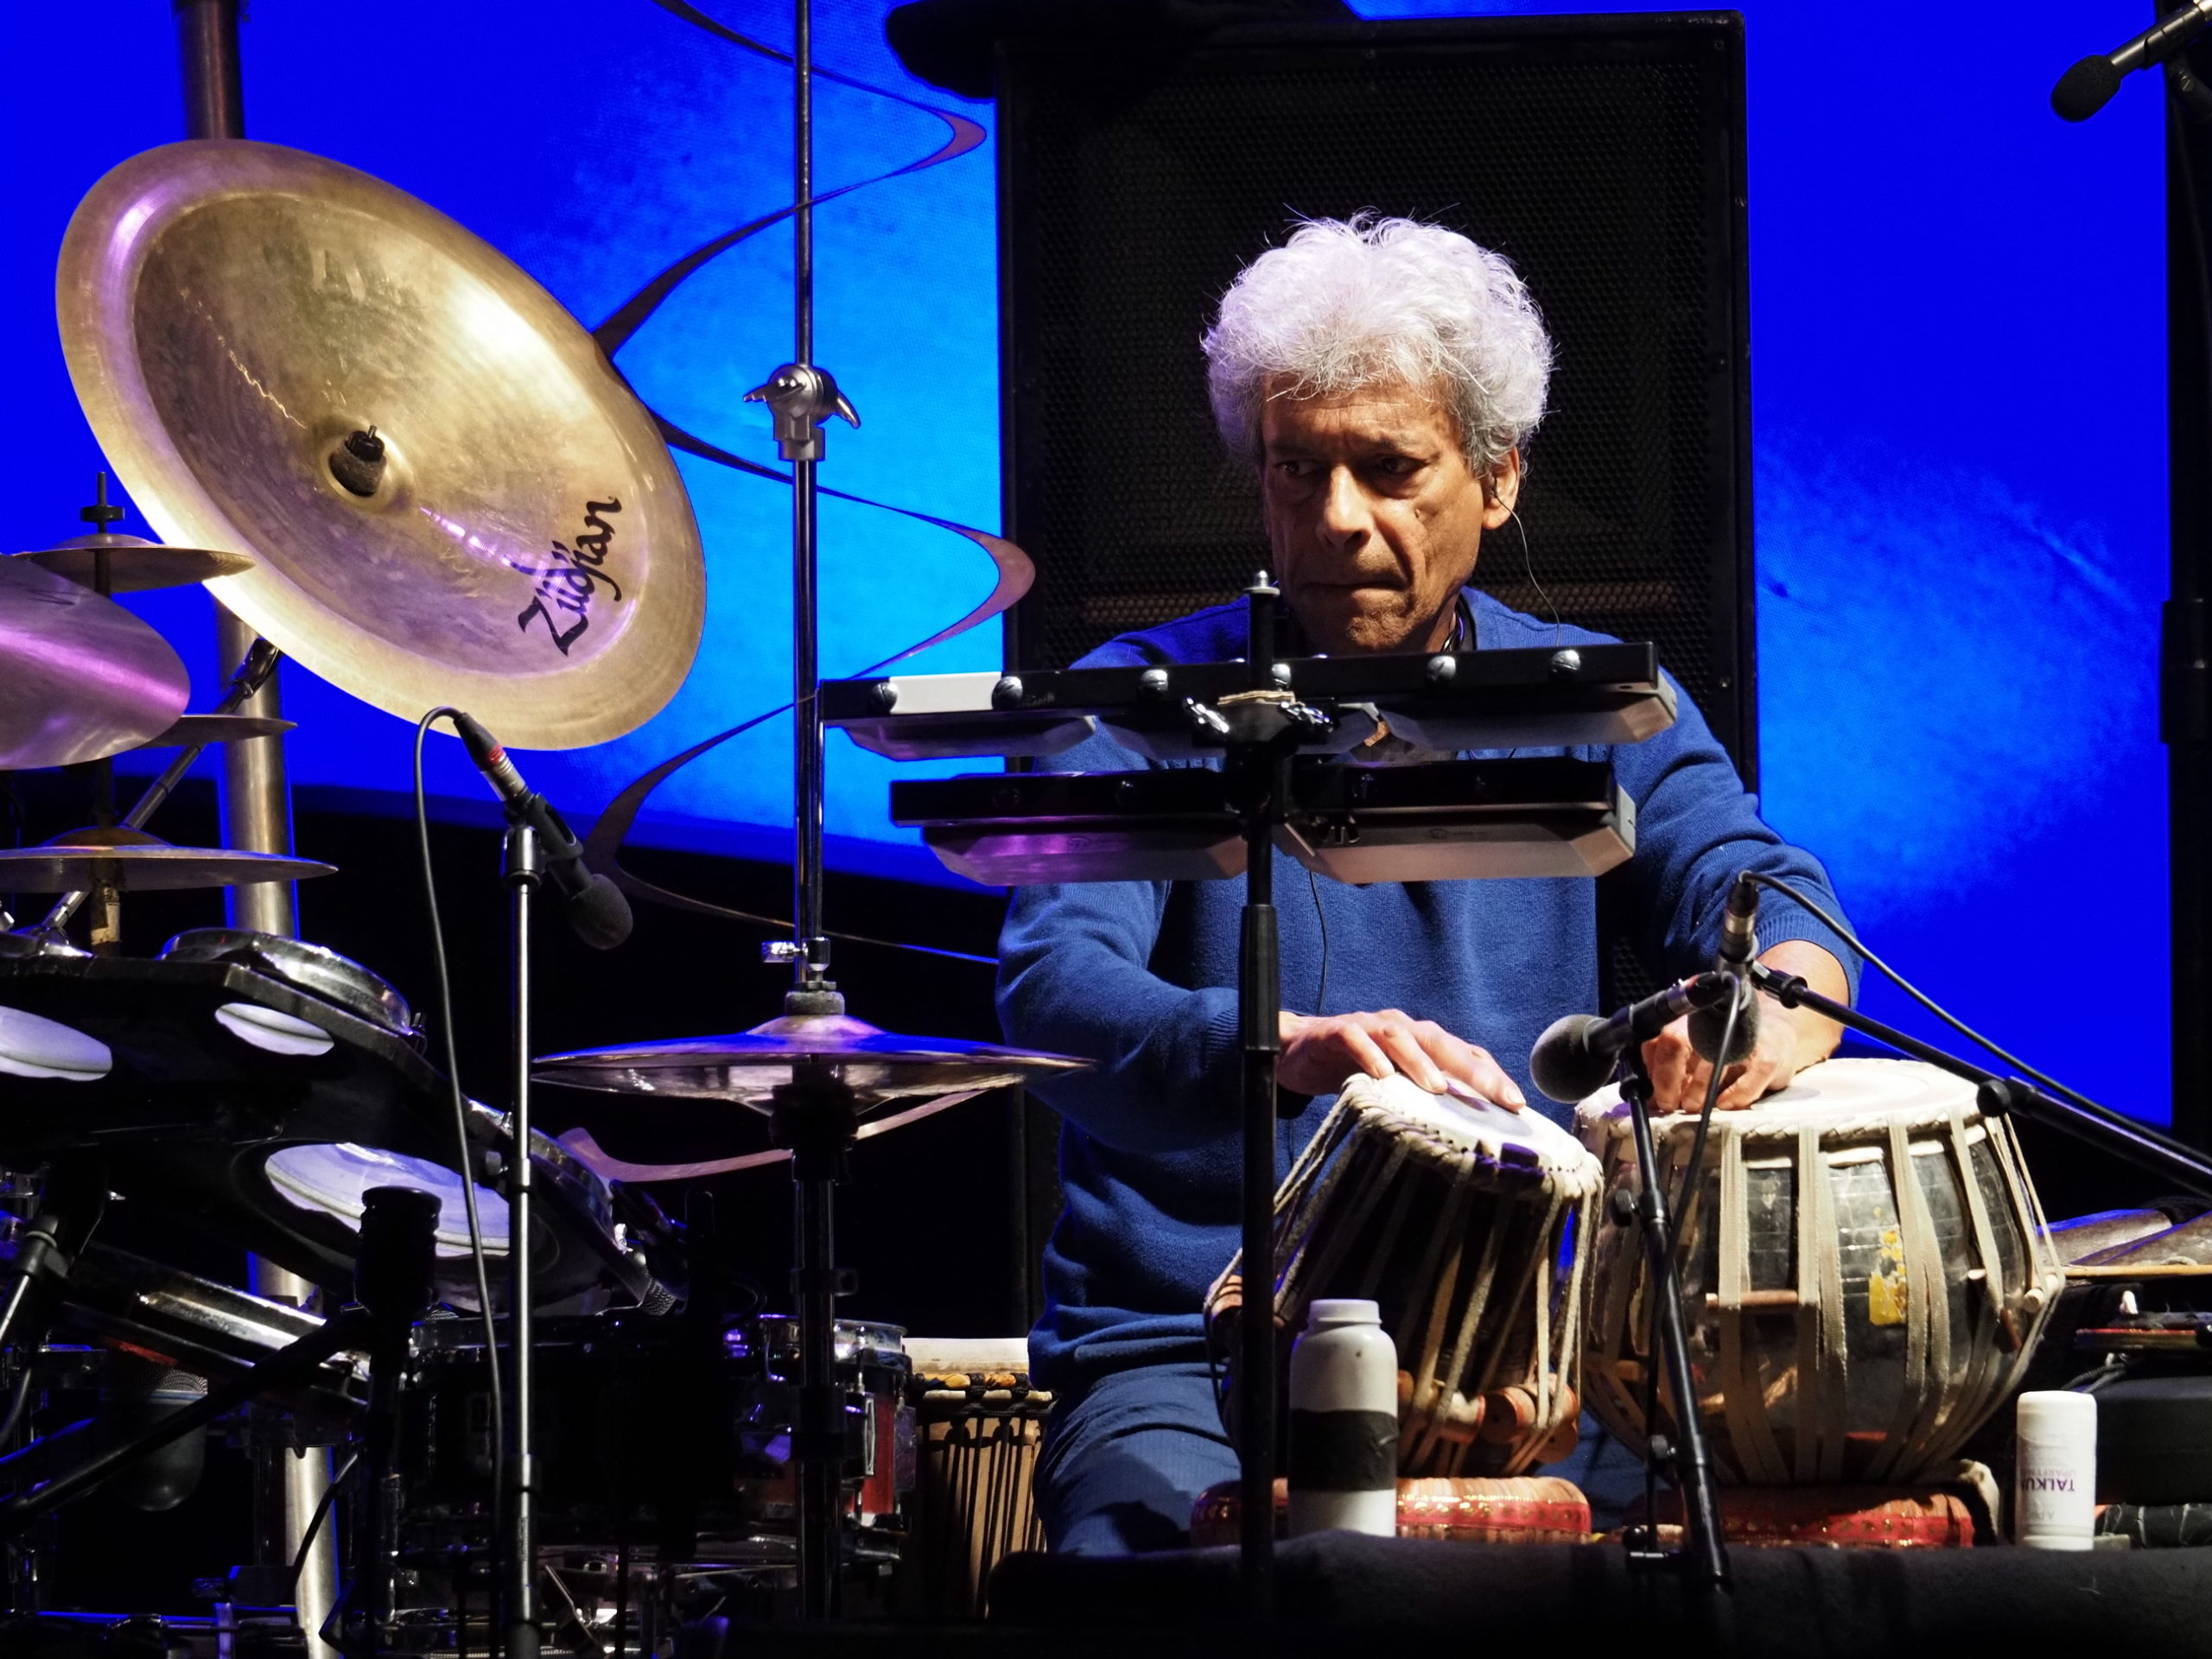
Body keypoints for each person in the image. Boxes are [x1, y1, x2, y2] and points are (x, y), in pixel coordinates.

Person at [995, 216, 1856, 1554]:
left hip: (1536, 1367)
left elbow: (1753, 882)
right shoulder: (1139, 708)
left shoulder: (1593, 703)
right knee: (1178, 1599)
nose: (1337, 520)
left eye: (1391, 469)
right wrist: (1286, 1046)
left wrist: (1776, 999)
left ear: (1498, 479)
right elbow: (1054, 994)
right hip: (1188, 1361)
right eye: (1298, 470)